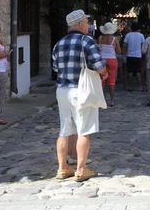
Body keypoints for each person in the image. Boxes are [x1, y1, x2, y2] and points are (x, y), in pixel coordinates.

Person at [52, 10, 107, 182]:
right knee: (84, 130)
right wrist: (104, 73)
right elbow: (99, 64)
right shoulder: (87, 41)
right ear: (81, 24)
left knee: (64, 130)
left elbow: (55, 68)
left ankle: (62, 168)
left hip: (62, 89)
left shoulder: (59, 44)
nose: (88, 25)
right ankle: (81, 170)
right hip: (82, 90)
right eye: (87, 22)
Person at [99, 22, 122, 107]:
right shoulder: (114, 39)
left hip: (102, 59)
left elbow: (98, 48)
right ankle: (112, 101)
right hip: (112, 59)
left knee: (102, 81)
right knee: (111, 81)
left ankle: (101, 101)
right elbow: (119, 51)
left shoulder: (100, 38)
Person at [123, 22, 145, 92]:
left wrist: (125, 53)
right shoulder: (141, 35)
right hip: (138, 55)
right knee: (138, 71)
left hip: (129, 55)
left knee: (130, 71)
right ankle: (140, 86)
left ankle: (130, 86)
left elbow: (124, 44)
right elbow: (143, 45)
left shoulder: (128, 35)